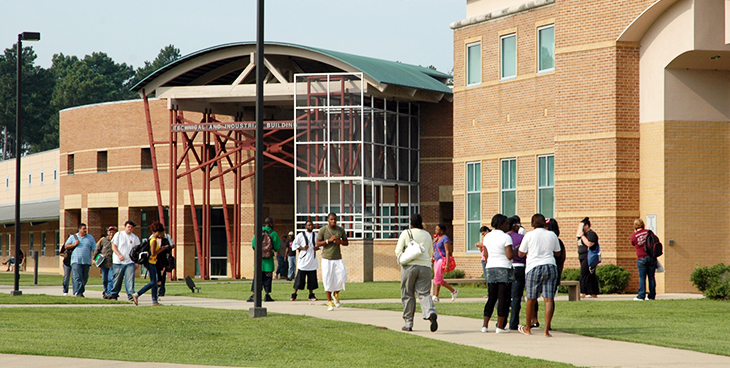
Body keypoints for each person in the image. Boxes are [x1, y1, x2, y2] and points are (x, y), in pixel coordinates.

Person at [518, 214, 561, 337]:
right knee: (548, 300)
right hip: (550, 266)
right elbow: (557, 253)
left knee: (531, 299)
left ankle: (528, 328)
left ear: (532, 223)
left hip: (533, 267)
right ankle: (546, 331)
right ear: (544, 223)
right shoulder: (552, 235)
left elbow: (521, 253)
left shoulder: (529, 235)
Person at [396, 213, 438, 332]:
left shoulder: (406, 233)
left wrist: (403, 258)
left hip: (409, 266)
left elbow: (398, 250)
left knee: (408, 294)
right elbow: (430, 252)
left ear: (411, 222)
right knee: (424, 293)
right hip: (425, 267)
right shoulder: (427, 235)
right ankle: (430, 313)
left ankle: (408, 323)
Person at [479, 214, 514, 333]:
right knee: (503, 298)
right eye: (506, 223)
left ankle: (485, 325)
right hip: (504, 268)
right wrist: (514, 251)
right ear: (501, 224)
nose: (508, 226)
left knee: (492, 297)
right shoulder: (506, 237)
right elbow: (509, 256)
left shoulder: (487, 237)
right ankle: (500, 326)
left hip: (491, 267)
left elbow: (486, 255)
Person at [532, 218, 566, 328]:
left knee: (533, 297)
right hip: (554, 272)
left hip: (538, 269)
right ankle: (548, 324)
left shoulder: (544, 239)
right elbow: (561, 258)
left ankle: (534, 319)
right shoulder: (558, 241)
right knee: (549, 298)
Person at [132, 221, 173, 306]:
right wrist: (163, 248)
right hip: (151, 263)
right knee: (153, 282)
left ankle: (155, 301)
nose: (162, 235)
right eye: (162, 233)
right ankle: (137, 294)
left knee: (154, 282)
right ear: (158, 232)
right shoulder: (153, 240)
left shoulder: (153, 239)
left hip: (153, 262)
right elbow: (153, 253)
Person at [317, 213, 349, 311]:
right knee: (328, 279)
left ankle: (336, 293)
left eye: (335, 219)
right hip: (327, 258)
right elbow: (317, 243)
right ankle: (329, 301)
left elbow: (346, 242)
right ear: (328, 220)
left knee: (342, 276)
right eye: (331, 219)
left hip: (337, 258)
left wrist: (340, 242)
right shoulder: (323, 230)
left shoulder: (340, 230)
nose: (333, 221)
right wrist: (328, 241)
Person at [247, 217, 280, 302]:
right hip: (268, 261)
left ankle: (254, 295)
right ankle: (267, 295)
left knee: (257, 278)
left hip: (259, 261)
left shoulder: (258, 231)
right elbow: (276, 247)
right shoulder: (274, 234)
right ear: (272, 223)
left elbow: (254, 245)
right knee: (268, 278)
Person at [109, 220, 141, 301]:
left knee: (130, 279)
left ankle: (131, 295)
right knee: (117, 279)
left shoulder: (135, 238)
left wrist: (137, 262)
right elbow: (114, 246)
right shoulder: (119, 235)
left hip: (130, 262)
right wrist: (119, 255)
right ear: (125, 227)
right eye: (128, 227)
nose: (130, 228)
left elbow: (138, 251)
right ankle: (114, 294)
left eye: (131, 227)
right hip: (118, 262)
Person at [64, 223, 96, 297]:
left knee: (84, 277)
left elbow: (95, 248)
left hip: (86, 261)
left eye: (85, 229)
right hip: (76, 261)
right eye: (83, 229)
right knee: (77, 277)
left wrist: (94, 258)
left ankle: (80, 290)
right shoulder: (73, 237)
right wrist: (74, 244)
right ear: (79, 229)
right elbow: (66, 246)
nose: (85, 230)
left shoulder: (90, 238)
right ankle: (78, 292)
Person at [290, 221, 320, 301]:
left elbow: (320, 245)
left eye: (312, 225)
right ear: (306, 226)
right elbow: (294, 245)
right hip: (303, 260)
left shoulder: (316, 235)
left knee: (312, 280)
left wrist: (317, 248)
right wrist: (303, 248)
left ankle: (311, 295)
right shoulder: (300, 235)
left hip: (312, 260)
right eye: (309, 225)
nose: (311, 226)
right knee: (299, 279)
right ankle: (294, 294)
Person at [507, 216, 526, 330]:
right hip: (520, 267)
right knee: (516, 297)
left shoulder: (503, 237)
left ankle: (501, 321)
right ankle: (513, 323)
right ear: (515, 225)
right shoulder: (522, 238)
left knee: (503, 296)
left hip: (506, 267)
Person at [631, 219, 656, 301]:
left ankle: (641, 295)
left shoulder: (634, 236)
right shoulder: (649, 232)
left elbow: (633, 243)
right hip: (652, 257)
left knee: (642, 277)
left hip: (641, 258)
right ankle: (651, 296)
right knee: (651, 277)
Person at [432, 223, 457, 302]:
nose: (436, 231)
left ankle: (436, 296)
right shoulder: (436, 238)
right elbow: (433, 248)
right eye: (435, 229)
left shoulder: (445, 238)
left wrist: (447, 264)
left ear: (442, 230)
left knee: (437, 278)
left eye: (437, 229)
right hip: (436, 259)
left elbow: (447, 251)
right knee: (438, 278)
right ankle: (453, 291)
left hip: (442, 260)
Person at [577, 217, 599, 298]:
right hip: (582, 256)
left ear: (586, 226)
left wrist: (582, 236)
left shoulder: (591, 234)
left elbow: (589, 244)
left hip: (589, 256)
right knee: (588, 274)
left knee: (585, 274)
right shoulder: (582, 235)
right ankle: (591, 291)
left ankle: (584, 291)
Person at [93, 226, 117, 299]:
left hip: (113, 263)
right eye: (110, 232)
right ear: (107, 232)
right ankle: (106, 291)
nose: (111, 233)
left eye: (113, 232)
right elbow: (97, 249)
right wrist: (94, 258)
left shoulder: (117, 240)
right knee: (105, 279)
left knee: (111, 279)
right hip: (104, 263)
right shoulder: (103, 240)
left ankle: (109, 293)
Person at [155, 233, 175, 297]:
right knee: (156, 275)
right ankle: (157, 289)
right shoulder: (153, 238)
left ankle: (161, 290)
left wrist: (165, 248)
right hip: (155, 259)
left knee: (162, 275)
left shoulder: (166, 237)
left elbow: (172, 245)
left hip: (163, 258)